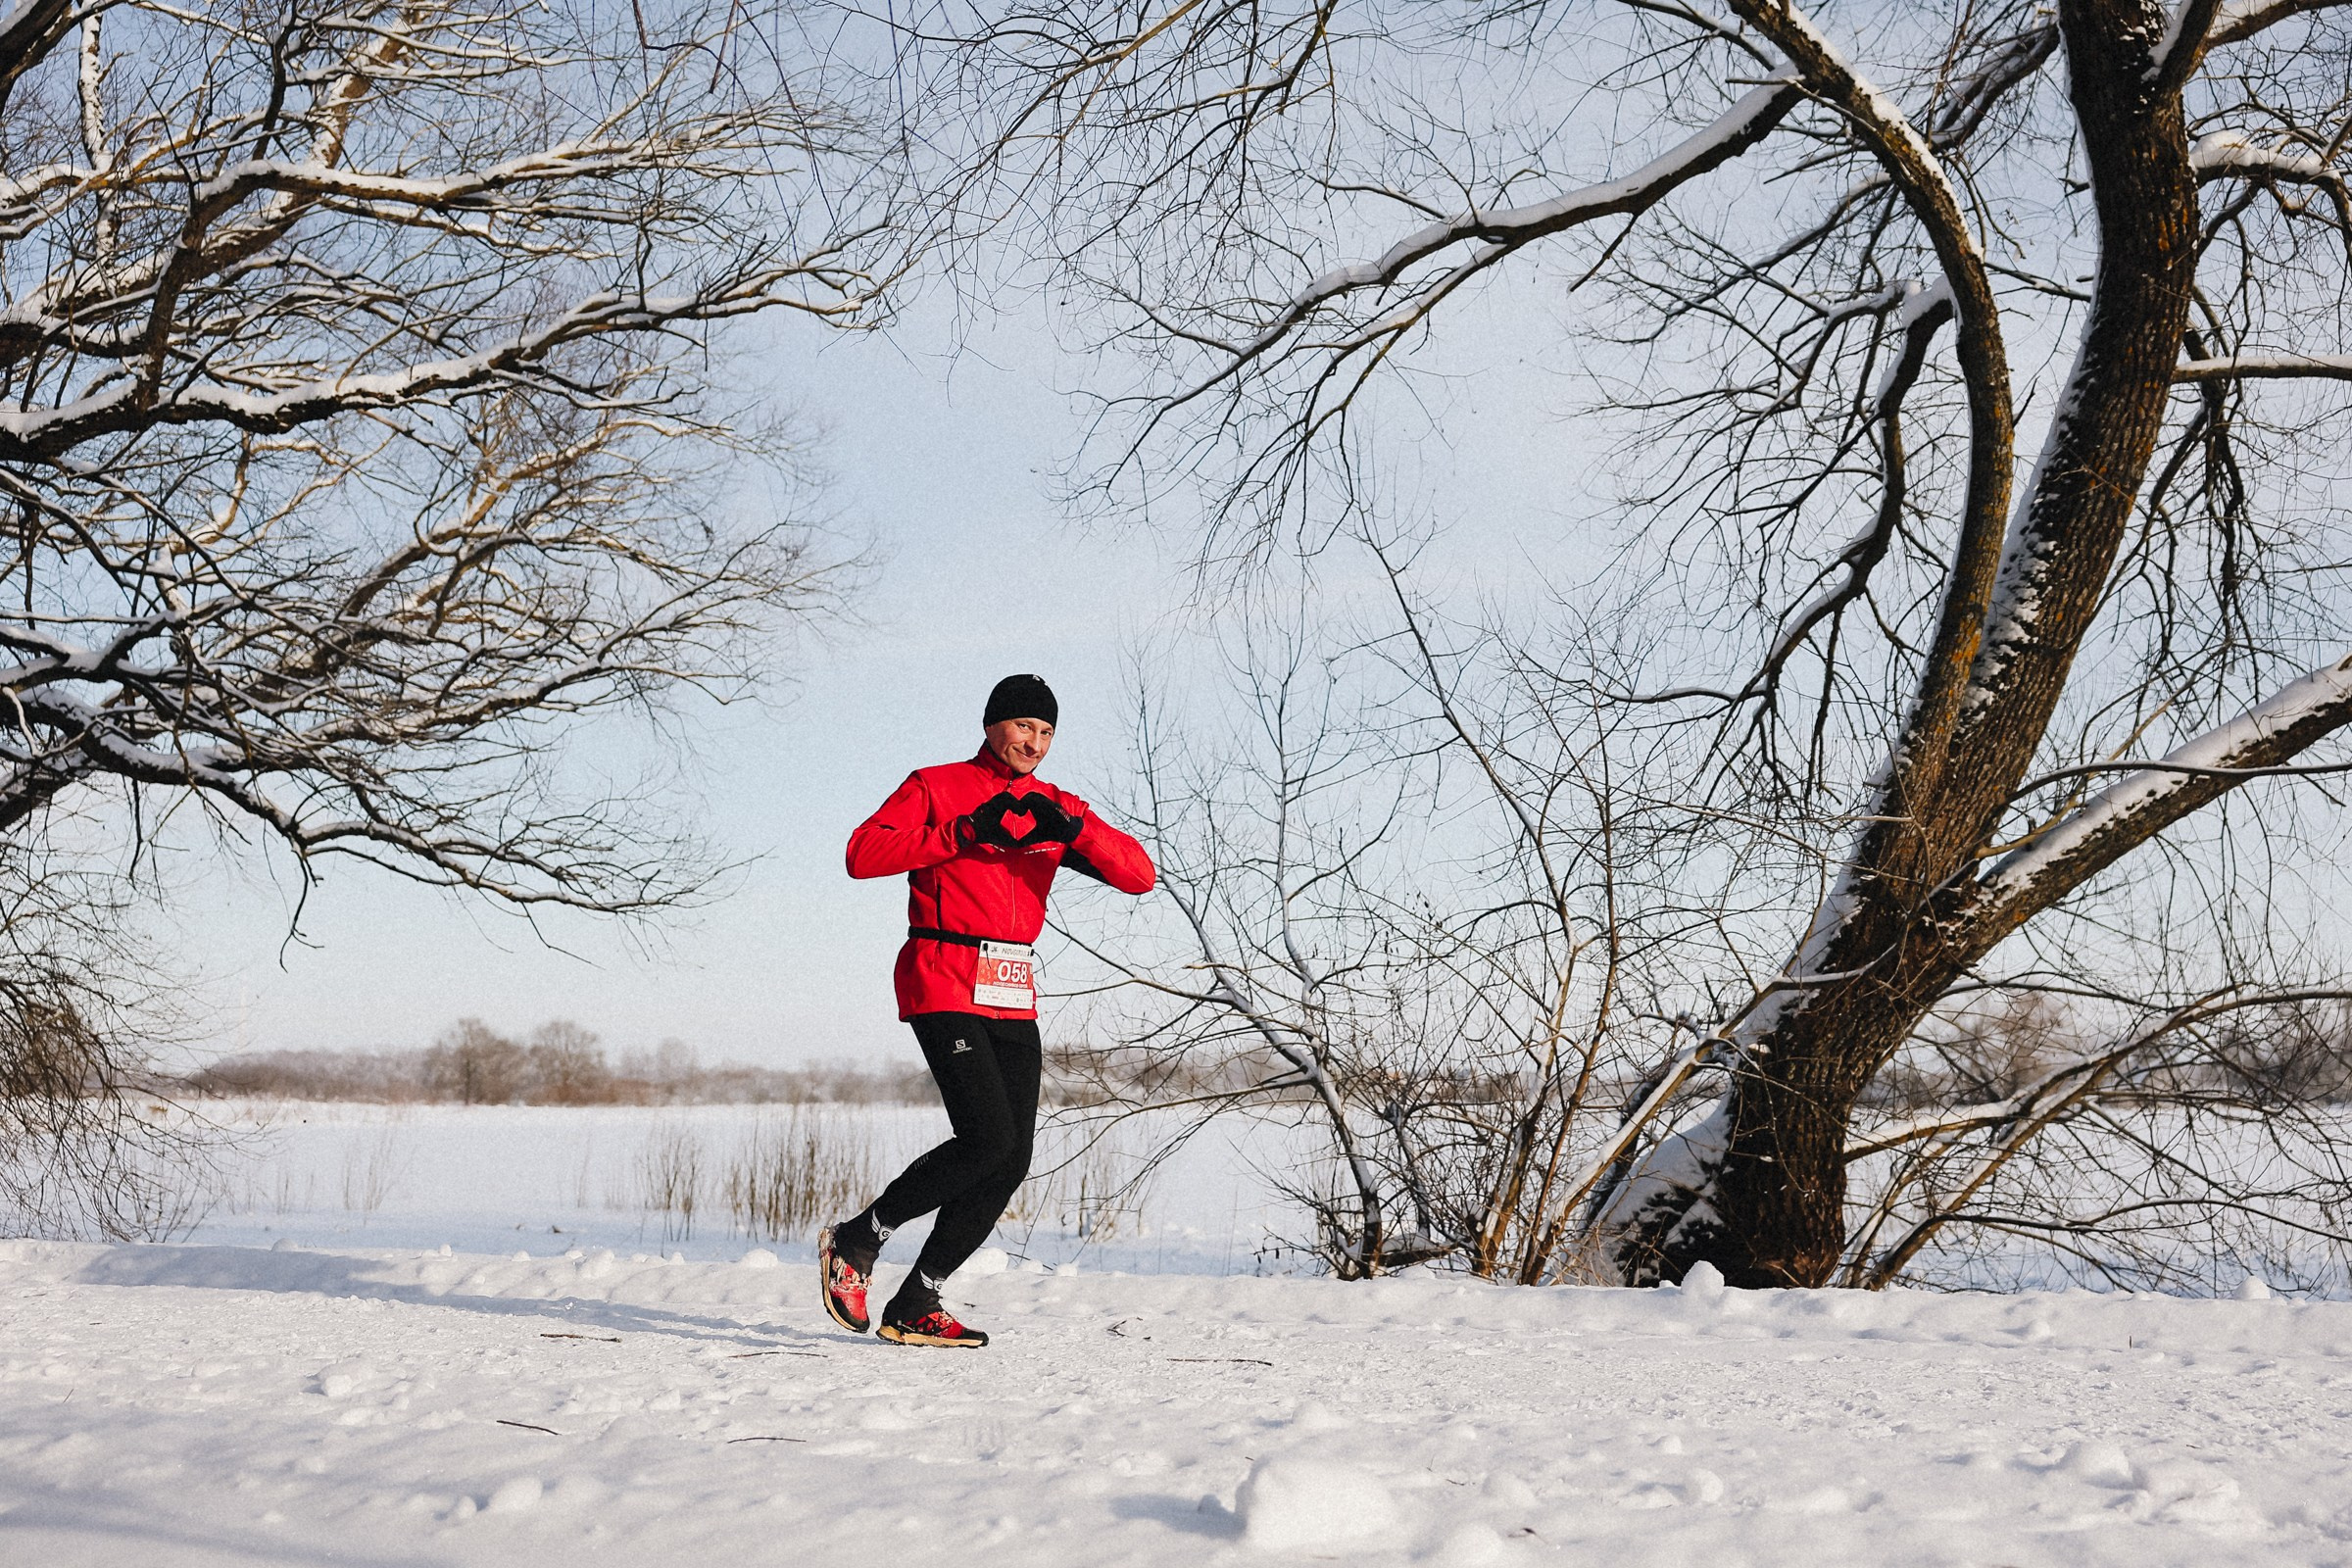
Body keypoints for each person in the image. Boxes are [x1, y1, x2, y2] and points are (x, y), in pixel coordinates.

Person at [819, 673, 1156, 1347]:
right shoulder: (935, 786)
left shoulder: (1056, 804)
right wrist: (963, 829)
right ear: (991, 725)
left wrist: (1078, 832)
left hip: (1010, 982)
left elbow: (1140, 875)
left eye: (1046, 733)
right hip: (942, 970)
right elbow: (862, 854)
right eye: (1023, 726)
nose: (1033, 742)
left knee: (1010, 1158)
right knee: (987, 1138)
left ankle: (919, 1298)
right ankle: (859, 1239)